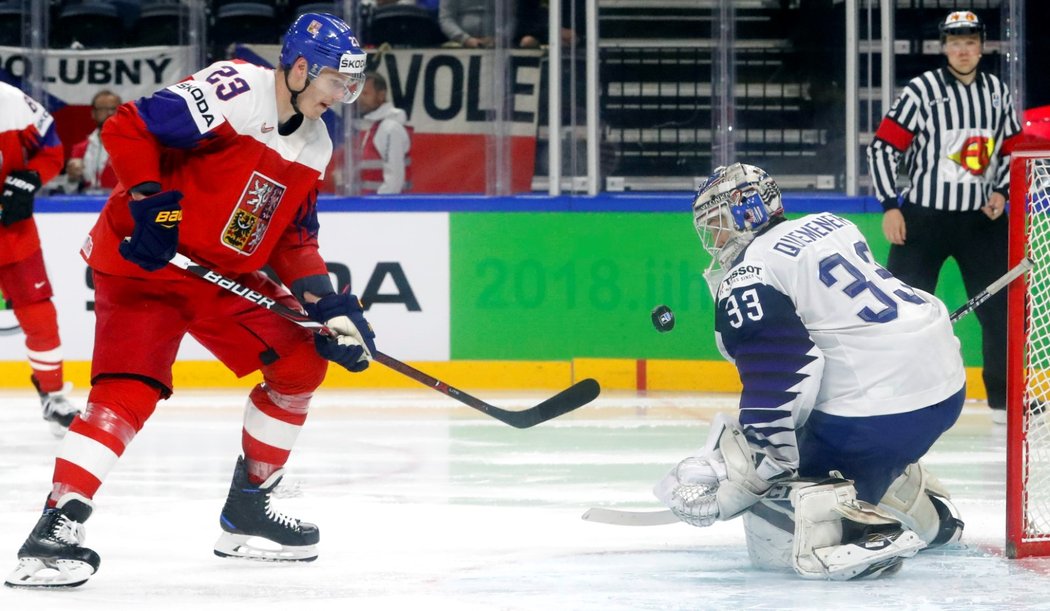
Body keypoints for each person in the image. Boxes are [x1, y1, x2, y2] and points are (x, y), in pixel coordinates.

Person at [5, 12, 375, 588]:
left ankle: (249, 508)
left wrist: (329, 305)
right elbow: (129, 126)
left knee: (302, 361)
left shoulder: (314, 142)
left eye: (351, 85)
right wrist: (153, 201)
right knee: (127, 389)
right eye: (336, 82)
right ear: (299, 68)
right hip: (143, 262)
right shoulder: (236, 89)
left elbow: (292, 238)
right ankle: (57, 524)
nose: (343, 97)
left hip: (218, 276)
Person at [653, 163, 967, 580]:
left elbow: (786, 373)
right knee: (836, 444)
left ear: (744, 213)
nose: (716, 240)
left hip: (878, 415)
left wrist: (757, 473)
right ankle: (921, 507)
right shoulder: (831, 224)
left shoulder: (747, 274)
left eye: (717, 225)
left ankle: (854, 532)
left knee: (773, 500)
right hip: (945, 388)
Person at [867, 10, 1022, 424]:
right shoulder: (922, 91)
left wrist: (1000, 190)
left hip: (980, 223)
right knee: (900, 310)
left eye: (970, 41)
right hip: (923, 220)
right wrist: (890, 205)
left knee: (1002, 310)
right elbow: (883, 147)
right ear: (944, 46)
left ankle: (1004, 404)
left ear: (982, 45)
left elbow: (1010, 149)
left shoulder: (996, 93)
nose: (963, 49)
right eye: (955, 42)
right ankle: (888, 396)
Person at [0, 80, 81, 436]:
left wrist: (31, 177)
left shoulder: (11, 101)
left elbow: (51, 149)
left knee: (40, 317)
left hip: (13, 235)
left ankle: (52, 395)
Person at [356, 72, 412, 194]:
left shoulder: (389, 129)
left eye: (365, 93)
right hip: (372, 207)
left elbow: (394, 181)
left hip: (385, 209)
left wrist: (379, 208)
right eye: (358, 93)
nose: (360, 99)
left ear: (381, 95)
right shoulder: (376, 126)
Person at [70, 90, 123, 194]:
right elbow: (71, 190)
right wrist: (72, 178)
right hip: (88, 206)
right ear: (93, 113)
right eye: (103, 109)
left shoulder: (132, 146)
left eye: (114, 109)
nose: (109, 113)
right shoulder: (80, 149)